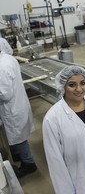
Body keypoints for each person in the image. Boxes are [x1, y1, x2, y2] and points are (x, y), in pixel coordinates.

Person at [43, 65, 85, 193]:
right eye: (72, 85)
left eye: (83, 83)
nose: (79, 89)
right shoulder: (52, 118)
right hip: (76, 183)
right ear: (63, 86)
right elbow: (55, 162)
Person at [0, 44, 37, 178]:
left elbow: (5, 94)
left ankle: (29, 163)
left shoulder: (2, 67)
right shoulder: (8, 58)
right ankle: (18, 154)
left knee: (18, 137)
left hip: (11, 108)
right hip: (18, 103)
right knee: (17, 135)